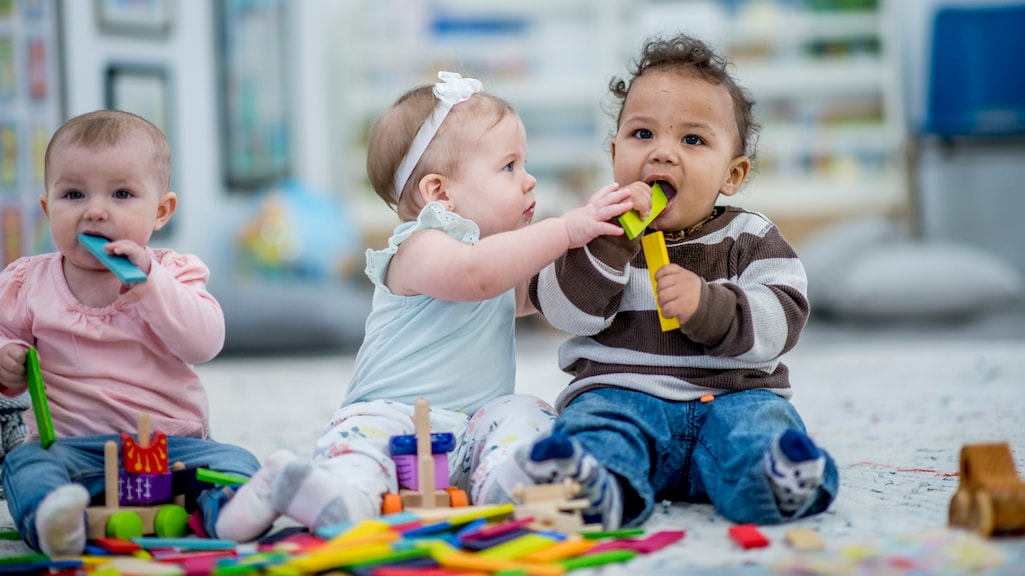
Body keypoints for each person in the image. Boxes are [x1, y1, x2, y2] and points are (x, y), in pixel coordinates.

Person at [216, 71, 636, 541]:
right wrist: (564, 229)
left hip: (473, 426)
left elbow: (541, 294)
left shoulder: (496, 253)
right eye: (509, 167)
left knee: (526, 410)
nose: (529, 179)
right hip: (392, 416)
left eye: (525, 164)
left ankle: (508, 479)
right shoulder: (419, 247)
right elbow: (476, 275)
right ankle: (324, 492)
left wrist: (599, 248)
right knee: (360, 449)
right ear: (439, 193)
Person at [519, 34, 839, 529]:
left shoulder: (749, 237)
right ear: (614, 152)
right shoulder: (590, 229)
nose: (662, 154)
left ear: (731, 174)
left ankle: (779, 479)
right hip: (622, 396)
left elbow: (785, 318)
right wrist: (609, 244)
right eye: (642, 135)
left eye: (692, 140)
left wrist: (710, 307)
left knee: (761, 428)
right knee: (595, 426)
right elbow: (563, 311)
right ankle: (595, 486)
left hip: (732, 397)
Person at [0, 110, 261, 556]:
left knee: (238, 463)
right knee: (23, 464)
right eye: (73, 194)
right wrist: (7, 359)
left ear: (161, 211)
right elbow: (6, 352)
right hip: (72, 451)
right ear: (47, 208)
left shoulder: (174, 274)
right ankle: (55, 520)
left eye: (122, 194)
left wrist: (152, 286)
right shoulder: (27, 283)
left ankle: (231, 513)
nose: (95, 210)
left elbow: (205, 342)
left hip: (171, 446)